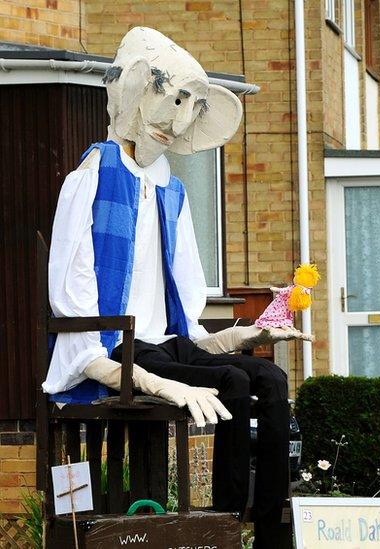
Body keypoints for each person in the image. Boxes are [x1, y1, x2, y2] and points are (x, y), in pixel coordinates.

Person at [43, 27, 309, 547]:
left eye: (190, 105)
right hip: (119, 346)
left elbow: (184, 326)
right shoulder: (94, 176)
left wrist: (245, 335)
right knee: (233, 383)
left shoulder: (172, 190)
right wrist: (161, 385)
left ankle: (266, 522)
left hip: (165, 344)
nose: (178, 119)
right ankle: (227, 519)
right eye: (172, 98)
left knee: (271, 381)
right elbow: (74, 316)